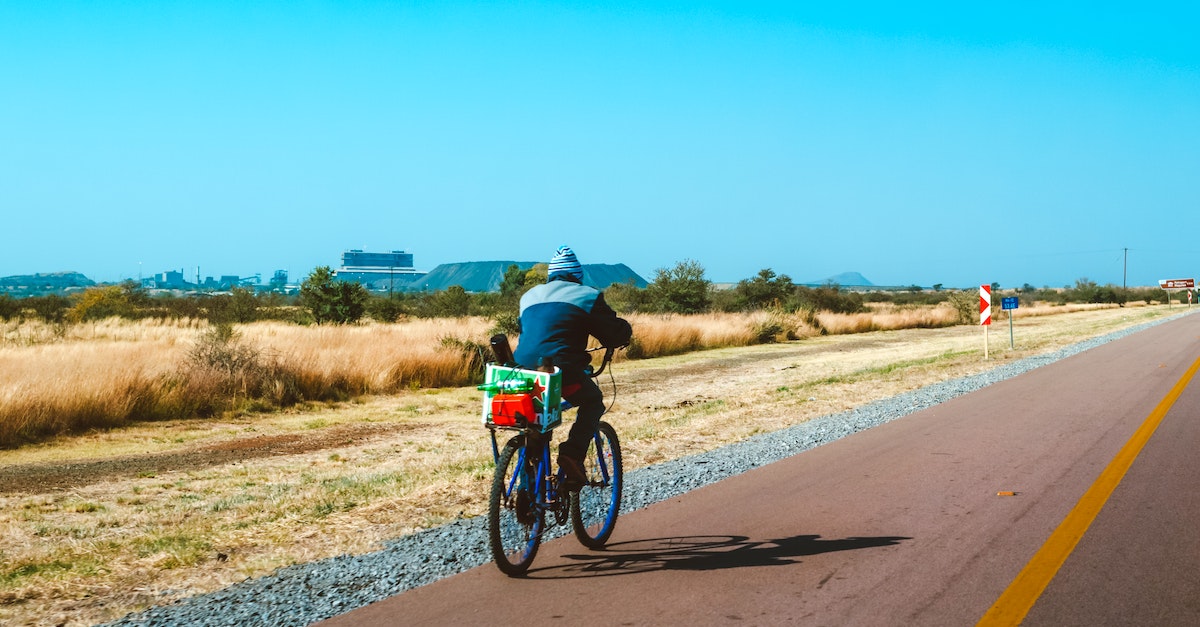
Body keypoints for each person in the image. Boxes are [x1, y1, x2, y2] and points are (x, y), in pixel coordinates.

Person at [514, 246, 632, 489]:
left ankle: (528, 491)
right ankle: (572, 455)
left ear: (551, 275)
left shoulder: (529, 296)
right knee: (593, 401)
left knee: (537, 419)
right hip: (561, 371)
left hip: (521, 370)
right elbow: (612, 332)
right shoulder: (587, 296)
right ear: (577, 276)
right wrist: (623, 334)